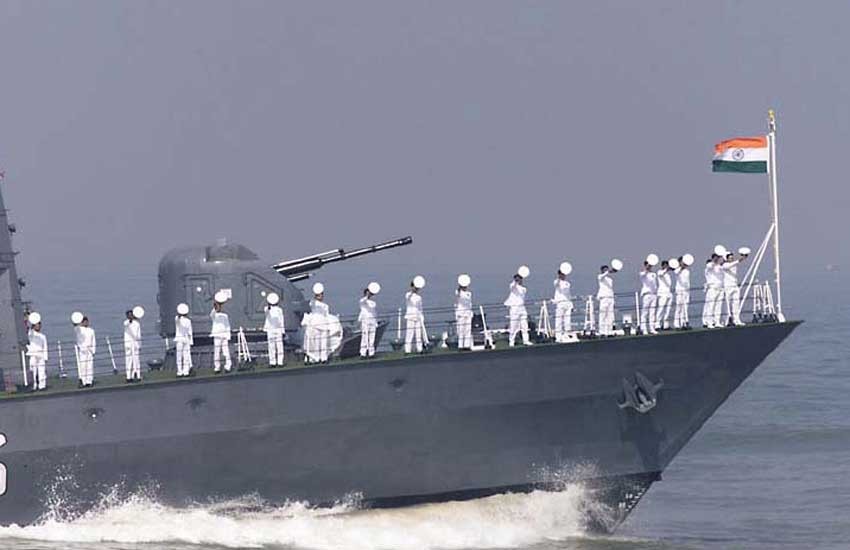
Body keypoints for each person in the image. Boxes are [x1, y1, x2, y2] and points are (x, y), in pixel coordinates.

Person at [503, 266, 533, 347]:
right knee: (513, 325)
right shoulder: (513, 286)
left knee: (524, 325)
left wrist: (518, 281)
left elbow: (521, 291)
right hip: (514, 308)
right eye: (518, 279)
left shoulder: (524, 288)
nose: (519, 280)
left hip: (522, 308)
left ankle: (526, 340)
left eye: (520, 279)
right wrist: (515, 281)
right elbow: (512, 286)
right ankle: (511, 341)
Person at [723, 247, 750, 326]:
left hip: (734, 285)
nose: (731, 259)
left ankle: (737, 319)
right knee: (727, 304)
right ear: (726, 258)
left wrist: (743, 257)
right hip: (727, 286)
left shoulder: (734, 264)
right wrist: (740, 260)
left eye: (732, 258)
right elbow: (730, 265)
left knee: (736, 303)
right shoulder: (724, 265)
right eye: (730, 258)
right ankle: (727, 320)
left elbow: (734, 264)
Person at [597, 259, 622, 336]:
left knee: (610, 315)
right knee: (603, 315)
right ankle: (602, 331)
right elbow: (603, 276)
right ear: (602, 270)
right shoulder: (600, 277)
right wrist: (609, 271)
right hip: (604, 298)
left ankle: (609, 330)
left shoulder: (610, 279)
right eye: (605, 270)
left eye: (607, 269)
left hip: (610, 297)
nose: (606, 271)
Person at [702, 245, 726, 328]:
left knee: (718, 306)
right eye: (716, 257)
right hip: (712, 288)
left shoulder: (719, 267)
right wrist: (714, 260)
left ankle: (717, 321)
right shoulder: (709, 267)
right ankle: (709, 322)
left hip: (720, 288)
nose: (718, 259)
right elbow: (710, 265)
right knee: (711, 305)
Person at [210, 292, 233, 373]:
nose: (219, 308)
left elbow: (227, 326)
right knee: (217, 352)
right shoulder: (214, 315)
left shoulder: (225, 316)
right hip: (217, 335)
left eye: (220, 306)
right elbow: (212, 314)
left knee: (226, 351)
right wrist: (215, 306)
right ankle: (217, 367)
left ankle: (228, 366)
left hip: (224, 335)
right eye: (218, 307)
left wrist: (228, 336)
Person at [308, 283, 331, 363]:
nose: (321, 297)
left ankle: (324, 358)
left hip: (324, 324)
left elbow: (327, 316)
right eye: (319, 295)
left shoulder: (325, 306)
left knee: (324, 342)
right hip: (315, 325)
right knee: (317, 342)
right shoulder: (313, 303)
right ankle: (317, 358)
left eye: (321, 295)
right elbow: (312, 304)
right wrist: (316, 295)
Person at [552, 262, 574, 343]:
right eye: (561, 274)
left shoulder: (568, 283)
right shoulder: (556, 282)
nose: (563, 276)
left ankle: (567, 334)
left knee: (567, 320)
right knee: (559, 320)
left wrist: (571, 304)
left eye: (564, 274)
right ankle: (558, 337)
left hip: (567, 303)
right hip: (560, 303)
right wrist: (559, 277)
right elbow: (556, 284)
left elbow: (568, 294)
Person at [404, 276, 427, 354]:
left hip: (418, 317)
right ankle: (407, 350)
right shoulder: (408, 294)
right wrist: (412, 291)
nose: (416, 289)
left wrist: (422, 317)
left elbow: (420, 308)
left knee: (418, 335)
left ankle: (419, 349)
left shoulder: (419, 297)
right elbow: (408, 297)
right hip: (410, 317)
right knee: (409, 334)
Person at [73, 313, 96, 387]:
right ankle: (83, 381)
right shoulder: (79, 329)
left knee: (89, 366)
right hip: (82, 350)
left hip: (89, 350)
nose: (86, 323)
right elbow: (75, 326)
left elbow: (93, 341)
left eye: (87, 321)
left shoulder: (91, 330)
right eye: (84, 322)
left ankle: (89, 381)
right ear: (82, 322)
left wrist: (93, 350)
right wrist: (76, 319)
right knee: (83, 366)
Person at [26, 312, 48, 391]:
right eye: (37, 325)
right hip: (33, 354)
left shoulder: (43, 336)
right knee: (33, 371)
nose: (38, 326)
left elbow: (45, 347)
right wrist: (29, 317)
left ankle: (42, 385)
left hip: (40, 354)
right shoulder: (31, 334)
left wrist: (45, 357)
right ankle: (33, 385)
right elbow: (27, 327)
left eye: (39, 325)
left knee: (42, 371)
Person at [264, 292, 286, 366]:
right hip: (270, 329)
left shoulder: (279, 310)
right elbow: (267, 311)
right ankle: (272, 362)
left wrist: (282, 330)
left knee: (279, 346)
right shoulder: (267, 309)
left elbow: (281, 320)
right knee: (271, 346)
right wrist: (269, 305)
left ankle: (280, 362)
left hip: (278, 329)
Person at [359, 282, 380, 358]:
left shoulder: (373, 303)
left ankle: (371, 353)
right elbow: (363, 301)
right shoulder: (362, 301)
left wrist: (376, 321)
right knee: (364, 337)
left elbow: (374, 312)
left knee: (372, 338)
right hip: (365, 321)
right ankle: (363, 353)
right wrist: (366, 296)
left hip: (372, 321)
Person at [639, 254, 660, 335]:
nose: (650, 266)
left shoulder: (653, 274)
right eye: (648, 265)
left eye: (651, 265)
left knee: (652, 312)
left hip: (654, 294)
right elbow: (643, 274)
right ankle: (643, 328)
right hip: (647, 294)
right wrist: (646, 269)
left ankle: (652, 328)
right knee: (645, 312)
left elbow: (655, 284)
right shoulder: (642, 273)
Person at [673, 254, 694, 329]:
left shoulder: (687, 271)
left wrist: (689, 292)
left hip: (686, 291)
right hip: (679, 290)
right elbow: (676, 272)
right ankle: (676, 324)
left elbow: (687, 282)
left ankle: (683, 323)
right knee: (679, 307)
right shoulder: (677, 270)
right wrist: (681, 267)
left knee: (685, 308)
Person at [123, 306, 144, 383]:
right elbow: (126, 324)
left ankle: (137, 375)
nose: (130, 316)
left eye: (131, 315)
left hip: (135, 344)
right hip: (128, 344)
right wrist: (130, 320)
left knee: (136, 360)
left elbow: (139, 335)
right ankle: (128, 376)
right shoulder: (126, 323)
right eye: (129, 315)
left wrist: (140, 344)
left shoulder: (137, 324)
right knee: (128, 360)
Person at [174, 303, 194, 377]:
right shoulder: (187, 321)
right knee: (185, 356)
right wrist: (191, 342)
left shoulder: (177, 319)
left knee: (179, 356)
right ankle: (186, 371)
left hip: (180, 339)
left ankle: (180, 371)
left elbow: (177, 318)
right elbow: (190, 332)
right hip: (186, 339)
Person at [455, 274, 473, 350]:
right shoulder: (458, 292)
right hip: (461, 314)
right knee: (461, 330)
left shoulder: (469, 293)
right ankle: (460, 345)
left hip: (468, 313)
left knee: (468, 330)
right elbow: (458, 295)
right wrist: (460, 287)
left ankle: (466, 345)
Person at [656, 260, 673, 330]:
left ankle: (665, 325)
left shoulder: (668, 275)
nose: (666, 267)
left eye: (667, 265)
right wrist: (666, 269)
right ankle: (657, 324)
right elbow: (661, 274)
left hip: (668, 293)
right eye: (665, 265)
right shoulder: (659, 272)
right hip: (662, 293)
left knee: (668, 309)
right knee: (661, 308)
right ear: (662, 266)